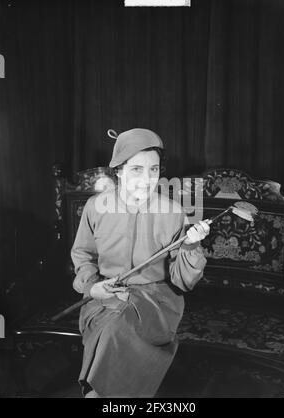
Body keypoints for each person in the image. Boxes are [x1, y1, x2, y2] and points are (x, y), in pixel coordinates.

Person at [71, 128, 210, 398]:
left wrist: (191, 246)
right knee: (110, 324)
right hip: (105, 296)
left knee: (117, 326)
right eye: (136, 169)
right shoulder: (95, 207)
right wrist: (92, 288)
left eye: (154, 170)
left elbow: (183, 280)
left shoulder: (172, 212)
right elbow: (83, 255)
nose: (147, 179)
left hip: (156, 301)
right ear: (119, 171)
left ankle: (94, 395)